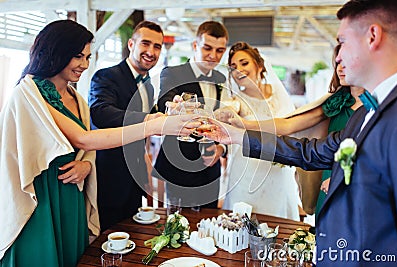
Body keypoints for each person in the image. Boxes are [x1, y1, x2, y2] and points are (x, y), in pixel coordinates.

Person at [204, 0, 397, 265]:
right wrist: (236, 135)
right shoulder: (363, 114)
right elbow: (310, 151)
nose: (338, 57)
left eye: (343, 41)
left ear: (372, 37)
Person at [0, 19, 199, 266]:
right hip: (42, 194)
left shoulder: (76, 97)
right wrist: (155, 124)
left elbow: (82, 148)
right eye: (77, 57)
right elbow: (86, 136)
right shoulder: (28, 93)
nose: (84, 64)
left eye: (87, 57)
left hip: (72, 190)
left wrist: (87, 165)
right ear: (56, 52)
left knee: (77, 256)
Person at [218, 44, 365, 216]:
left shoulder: (377, 108)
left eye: (345, 61)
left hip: (359, 184)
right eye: (337, 62)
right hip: (326, 176)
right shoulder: (335, 102)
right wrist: (244, 124)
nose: (340, 68)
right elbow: (289, 125)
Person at [89, 20, 164, 231]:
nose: (151, 51)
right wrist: (148, 119)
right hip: (109, 177)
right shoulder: (106, 76)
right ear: (131, 44)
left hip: (135, 178)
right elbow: (101, 114)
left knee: (131, 238)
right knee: (106, 243)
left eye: (157, 46)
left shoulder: (148, 86)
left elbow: (150, 121)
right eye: (145, 43)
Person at [219, 41, 301, 220]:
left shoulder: (279, 93)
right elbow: (226, 112)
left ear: (259, 65)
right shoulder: (236, 100)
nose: (238, 69)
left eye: (244, 63)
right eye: (233, 66)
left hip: (278, 172)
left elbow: (293, 126)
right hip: (247, 173)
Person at [153, 21, 229, 208]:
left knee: (210, 224)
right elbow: (166, 101)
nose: (213, 56)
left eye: (219, 51)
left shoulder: (222, 79)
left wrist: (219, 149)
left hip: (211, 166)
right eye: (207, 48)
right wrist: (174, 105)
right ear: (195, 46)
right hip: (179, 164)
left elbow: (225, 120)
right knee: (178, 226)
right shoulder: (172, 73)